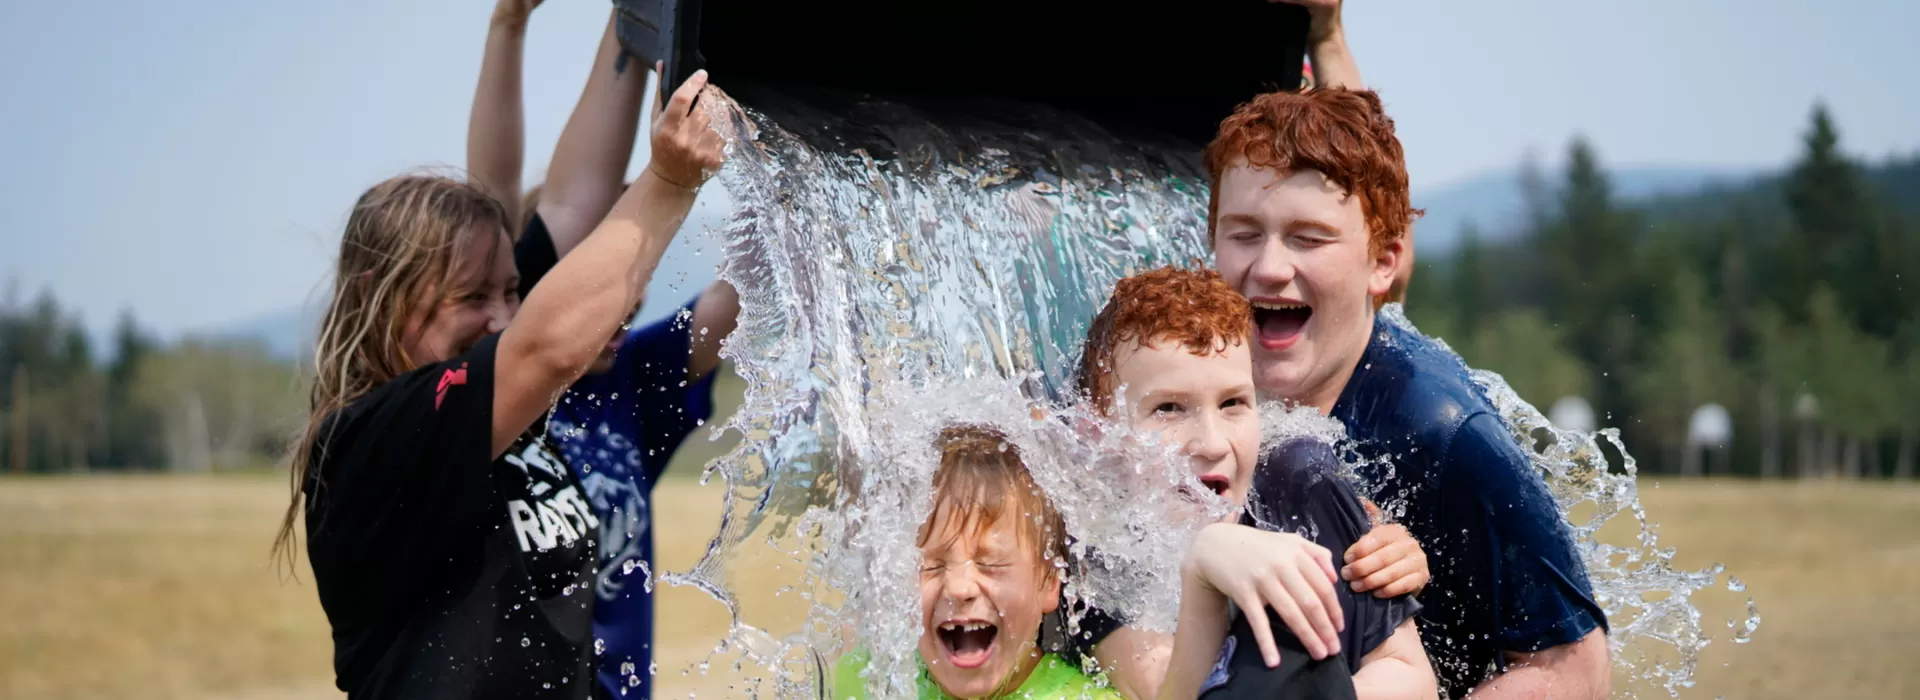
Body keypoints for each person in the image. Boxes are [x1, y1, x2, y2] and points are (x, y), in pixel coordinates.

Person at [270, 71, 726, 699]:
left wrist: (630, 32)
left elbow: (572, 203)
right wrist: (670, 182)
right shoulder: (375, 435)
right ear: (384, 301)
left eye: (513, 291)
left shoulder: (507, 407)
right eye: (471, 296)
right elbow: (542, 346)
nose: (503, 315)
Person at [1205, 87, 1612, 698]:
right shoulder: (1193, 376)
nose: (1268, 268)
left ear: (1383, 262)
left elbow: (1575, 669)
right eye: (1242, 233)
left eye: (1308, 238)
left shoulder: (1440, 432)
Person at [464, 9, 743, 697]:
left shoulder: (632, 379)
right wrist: (508, 29)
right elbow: (494, 201)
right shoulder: (482, 387)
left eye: (633, 287)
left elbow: (744, 293)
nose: (623, 305)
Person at [1069, 267, 1433, 700]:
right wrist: (1205, 565)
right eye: (1168, 408)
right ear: (1099, 435)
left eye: (1233, 403)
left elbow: (1410, 675)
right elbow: (1162, 691)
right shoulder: (1097, 551)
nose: (1211, 442)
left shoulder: (1297, 482)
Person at [833, 425, 1122, 699]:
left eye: (990, 564)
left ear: (1048, 581)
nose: (959, 588)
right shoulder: (866, 682)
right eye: (929, 566)